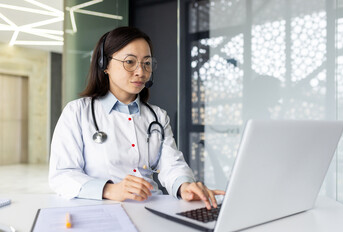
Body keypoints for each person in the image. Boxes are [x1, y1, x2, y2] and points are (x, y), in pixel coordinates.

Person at [49, 26, 225, 209]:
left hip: (151, 208)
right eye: (130, 62)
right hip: (102, 209)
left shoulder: (157, 116)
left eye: (147, 63)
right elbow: (62, 175)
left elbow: (172, 164)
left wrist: (185, 186)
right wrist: (109, 190)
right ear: (105, 65)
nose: (141, 71)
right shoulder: (77, 112)